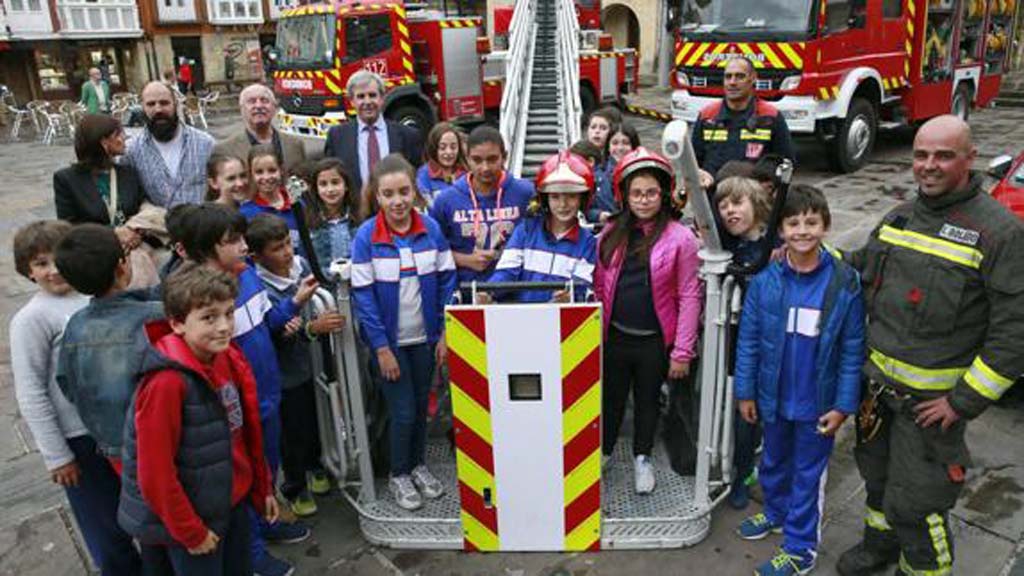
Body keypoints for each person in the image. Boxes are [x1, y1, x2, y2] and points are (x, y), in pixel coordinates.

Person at [835, 116, 1024, 576]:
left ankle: (922, 569)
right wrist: (810, 255)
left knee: (917, 504)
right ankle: (879, 546)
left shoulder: (999, 233)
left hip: (932, 409)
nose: (929, 166)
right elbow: (859, 267)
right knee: (877, 483)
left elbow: (1014, 331)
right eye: (921, 155)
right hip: (878, 396)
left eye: (943, 155)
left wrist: (963, 401)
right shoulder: (900, 216)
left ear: (969, 159)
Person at [176, 203, 316, 576]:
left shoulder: (248, 275)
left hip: (268, 395)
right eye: (232, 240)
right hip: (238, 406)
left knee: (266, 468)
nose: (243, 246)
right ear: (207, 248)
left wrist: (294, 304)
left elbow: (267, 323)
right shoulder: (203, 299)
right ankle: (251, 553)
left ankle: (267, 519)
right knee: (243, 477)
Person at [733, 185, 865, 576]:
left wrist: (843, 405)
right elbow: (750, 341)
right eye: (793, 223)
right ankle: (775, 512)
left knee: (807, 477)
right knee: (772, 462)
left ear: (826, 225)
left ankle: (800, 549)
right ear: (781, 230)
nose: (802, 230)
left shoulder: (845, 282)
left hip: (817, 405)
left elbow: (853, 348)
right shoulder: (765, 281)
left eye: (811, 222)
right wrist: (745, 391)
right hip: (774, 399)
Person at [117, 263, 277, 575]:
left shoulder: (226, 356)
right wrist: (190, 530)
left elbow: (245, 435)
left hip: (232, 501)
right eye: (208, 317)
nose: (224, 326)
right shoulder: (166, 383)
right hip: (195, 520)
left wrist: (263, 487)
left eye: (229, 313)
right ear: (177, 324)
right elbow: (155, 473)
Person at [10, 221, 143, 576]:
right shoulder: (31, 320)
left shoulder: (91, 297)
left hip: (118, 429)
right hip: (78, 440)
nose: (52, 270)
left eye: (57, 259)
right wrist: (57, 455)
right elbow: (31, 390)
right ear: (27, 270)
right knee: (105, 524)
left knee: (137, 510)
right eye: (40, 263)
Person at [350, 154, 457, 510]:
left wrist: (443, 332)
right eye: (388, 194)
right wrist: (381, 348)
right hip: (392, 346)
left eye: (404, 192)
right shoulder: (366, 237)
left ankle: (418, 465)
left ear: (415, 191)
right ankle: (399, 474)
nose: (397, 201)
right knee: (403, 412)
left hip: (424, 341)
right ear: (376, 197)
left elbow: (446, 279)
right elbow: (363, 298)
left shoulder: (430, 229)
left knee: (421, 407)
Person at [593, 147, 702, 494]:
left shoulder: (681, 238)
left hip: (654, 341)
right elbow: (597, 283)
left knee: (647, 402)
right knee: (610, 400)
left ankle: (643, 457)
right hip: (614, 337)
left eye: (651, 192)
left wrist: (682, 352)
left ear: (665, 193)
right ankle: (604, 452)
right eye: (636, 193)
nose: (643, 200)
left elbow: (689, 296)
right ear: (623, 194)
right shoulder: (610, 233)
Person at [247, 214, 344, 516]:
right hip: (285, 373)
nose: (287, 252)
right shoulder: (260, 285)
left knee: (315, 421)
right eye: (277, 248)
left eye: (288, 243)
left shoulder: (301, 265)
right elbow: (277, 329)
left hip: (311, 367)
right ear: (258, 256)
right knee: (291, 432)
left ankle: (316, 466)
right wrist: (311, 327)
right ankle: (295, 485)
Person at [55, 224, 164, 462]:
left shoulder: (76, 324)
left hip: (111, 445)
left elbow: (66, 382)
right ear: (122, 266)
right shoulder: (155, 317)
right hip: (159, 440)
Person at [714, 175, 773, 509]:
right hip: (737, 340)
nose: (729, 211)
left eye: (737, 203)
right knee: (741, 408)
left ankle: (749, 469)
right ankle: (741, 471)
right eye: (723, 206)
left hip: (770, 341)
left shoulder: (776, 244)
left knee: (759, 411)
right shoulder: (727, 245)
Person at [429, 125, 534, 284]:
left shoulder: (525, 193)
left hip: (516, 291)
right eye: (477, 160)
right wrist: (466, 260)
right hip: (465, 293)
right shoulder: (446, 200)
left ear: (504, 157)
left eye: (492, 159)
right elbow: (432, 250)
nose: (485, 168)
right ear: (467, 158)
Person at [488, 151, 597, 303]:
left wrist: (571, 296)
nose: (563, 204)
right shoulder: (526, 231)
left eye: (571, 196)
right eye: (555, 197)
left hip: (565, 323)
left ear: (583, 198)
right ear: (545, 199)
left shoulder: (588, 243)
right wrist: (489, 292)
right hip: (519, 319)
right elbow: (506, 272)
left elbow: (582, 287)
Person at [691, 57, 794, 190]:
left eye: (740, 76)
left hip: (754, 202)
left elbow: (786, 163)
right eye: (728, 77)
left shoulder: (770, 117)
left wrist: (765, 183)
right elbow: (692, 162)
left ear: (753, 78)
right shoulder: (707, 117)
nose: (732, 82)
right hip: (713, 199)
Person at [323, 70, 423, 195]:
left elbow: (417, 179)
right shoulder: (337, 136)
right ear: (352, 101)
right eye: (361, 96)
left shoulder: (408, 135)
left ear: (382, 98)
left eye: (372, 95)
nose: (367, 102)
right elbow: (330, 177)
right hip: (356, 211)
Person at [123, 81, 215, 208]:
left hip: (201, 224)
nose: (158, 109)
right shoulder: (131, 151)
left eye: (164, 103)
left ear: (175, 104)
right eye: (151, 104)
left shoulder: (205, 144)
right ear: (142, 107)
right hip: (157, 226)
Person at [54, 115, 147, 238]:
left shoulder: (128, 173)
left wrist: (134, 232)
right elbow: (69, 227)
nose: (125, 137)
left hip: (134, 244)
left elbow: (142, 206)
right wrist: (114, 234)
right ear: (104, 142)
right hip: (95, 250)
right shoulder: (67, 179)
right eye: (118, 134)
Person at [214, 84, 307, 175]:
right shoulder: (225, 150)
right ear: (242, 110)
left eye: (264, 101)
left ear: (274, 108)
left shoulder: (295, 146)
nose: (258, 106)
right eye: (252, 101)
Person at [239, 144, 303, 255]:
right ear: (251, 174)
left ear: (281, 170)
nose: (267, 177)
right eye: (259, 172)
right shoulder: (245, 213)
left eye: (272, 170)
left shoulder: (297, 204)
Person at [303, 157, 360, 276]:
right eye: (323, 184)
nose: (330, 189)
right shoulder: (308, 223)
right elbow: (305, 262)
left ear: (346, 185)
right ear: (316, 189)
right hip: (323, 288)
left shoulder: (360, 219)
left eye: (335, 182)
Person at [415, 122, 467, 207]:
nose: (449, 152)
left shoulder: (465, 172)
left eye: (453, 147)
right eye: (443, 148)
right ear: (434, 148)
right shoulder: (424, 175)